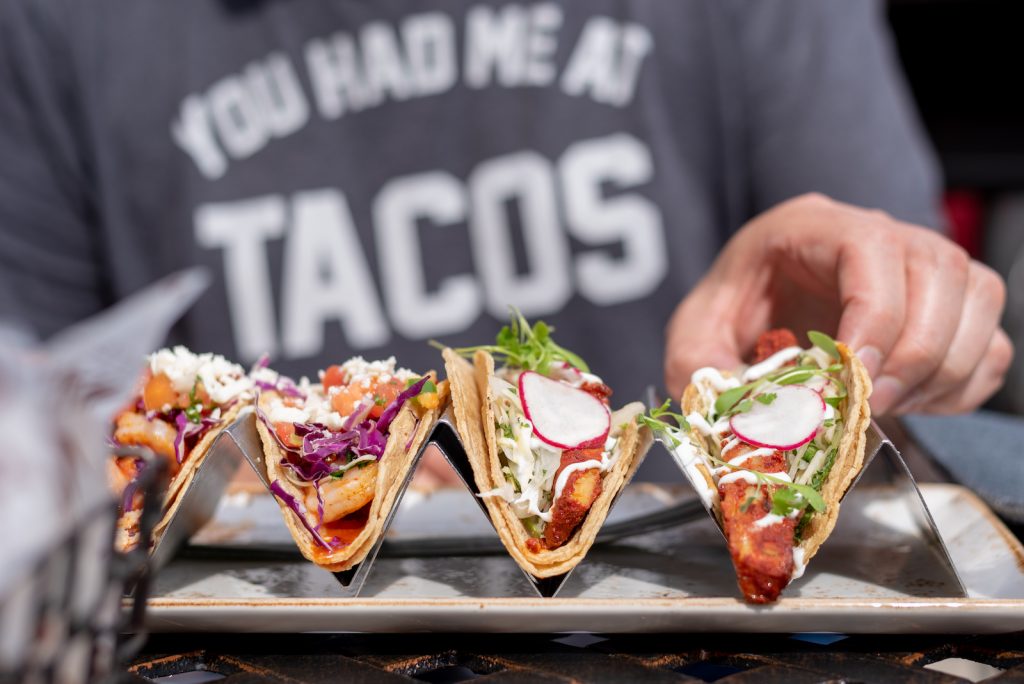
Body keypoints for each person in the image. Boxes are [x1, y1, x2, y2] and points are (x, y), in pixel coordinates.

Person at [0, 0, 1011, 483]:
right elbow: (23, 433)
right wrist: (226, 463)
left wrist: (873, 337)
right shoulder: (59, 30)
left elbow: (921, 371)